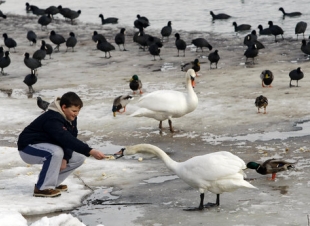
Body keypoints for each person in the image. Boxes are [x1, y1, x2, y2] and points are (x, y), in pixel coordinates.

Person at [17, 91, 106, 197]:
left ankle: (52, 184)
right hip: (28, 148)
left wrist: (66, 158)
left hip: (47, 147)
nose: (76, 114)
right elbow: (64, 138)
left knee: (79, 158)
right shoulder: (52, 118)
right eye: (74, 111)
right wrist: (90, 150)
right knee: (55, 153)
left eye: (78, 111)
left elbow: (71, 137)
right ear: (64, 107)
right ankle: (42, 188)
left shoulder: (70, 118)